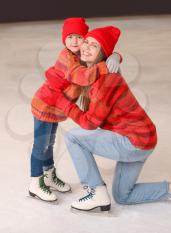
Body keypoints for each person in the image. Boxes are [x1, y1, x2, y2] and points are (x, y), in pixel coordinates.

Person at [47, 26, 171, 211]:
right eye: (87, 42)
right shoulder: (96, 72)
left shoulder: (105, 81)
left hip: (133, 141)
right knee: (123, 196)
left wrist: (64, 104)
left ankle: (95, 192)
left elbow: (90, 123)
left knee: (73, 137)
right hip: (143, 139)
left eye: (94, 46)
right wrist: (116, 56)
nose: (87, 47)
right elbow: (73, 60)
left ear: (102, 54)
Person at [29, 18, 122, 202]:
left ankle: (48, 176)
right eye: (70, 36)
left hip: (56, 108)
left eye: (79, 37)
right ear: (64, 39)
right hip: (45, 104)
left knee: (50, 143)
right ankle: (35, 182)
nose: (73, 41)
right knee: (41, 145)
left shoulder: (82, 55)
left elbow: (100, 50)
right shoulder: (67, 57)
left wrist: (115, 56)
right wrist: (104, 66)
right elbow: (81, 76)